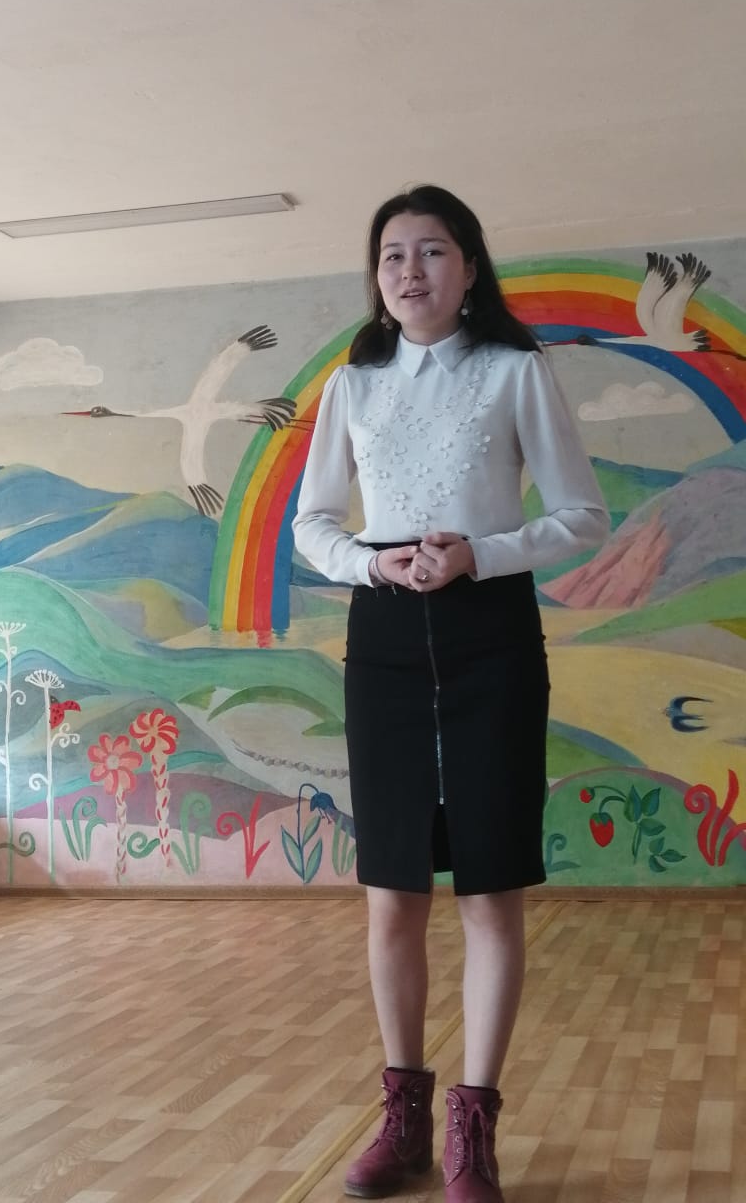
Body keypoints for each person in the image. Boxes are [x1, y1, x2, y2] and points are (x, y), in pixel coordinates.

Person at [292, 185, 609, 1202]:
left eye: (431, 251)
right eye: (393, 255)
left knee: (488, 889)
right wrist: (370, 563)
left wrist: (480, 553)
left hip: (490, 631)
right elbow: (311, 523)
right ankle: (404, 1122)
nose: (410, 270)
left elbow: (583, 515)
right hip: (383, 635)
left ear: (469, 267)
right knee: (392, 893)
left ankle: (475, 1127)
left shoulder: (517, 371)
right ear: (377, 277)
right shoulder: (353, 384)